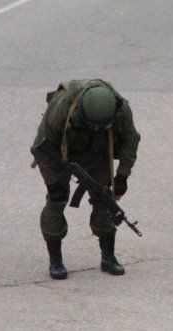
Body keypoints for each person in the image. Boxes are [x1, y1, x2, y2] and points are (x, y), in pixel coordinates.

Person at [31, 79, 140, 280]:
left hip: (98, 152)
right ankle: (55, 259)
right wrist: (53, 184)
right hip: (63, 152)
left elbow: (130, 141)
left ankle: (108, 256)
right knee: (56, 202)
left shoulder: (120, 109)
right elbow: (40, 148)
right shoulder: (61, 108)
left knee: (105, 200)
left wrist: (122, 176)